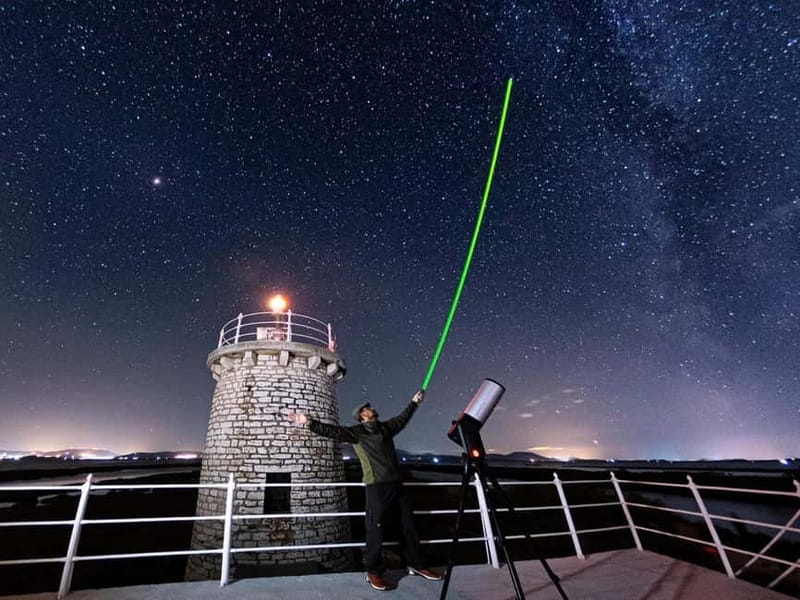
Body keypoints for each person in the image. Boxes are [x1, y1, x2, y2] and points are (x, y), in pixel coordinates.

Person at [287, 389, 442, 591]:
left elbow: (403, 419)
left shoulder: (386, 428)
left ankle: (417, 564)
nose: (370, 408)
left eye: (370, 407)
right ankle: (374, 572)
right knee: (375, 529)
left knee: (408, 527)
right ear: (362, 415)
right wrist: (308, 422)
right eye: (366, 408)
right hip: (376, 486)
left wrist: (414, 402)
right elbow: (333, 431)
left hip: (397, 484)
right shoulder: (356, 432)